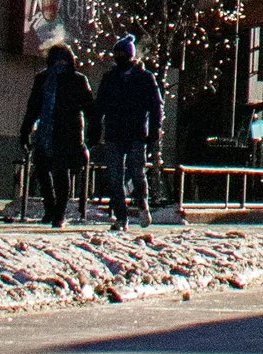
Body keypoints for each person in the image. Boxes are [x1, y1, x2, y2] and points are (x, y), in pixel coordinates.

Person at [93, 32, 164, 229]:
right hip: (114, 133)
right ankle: (121, 217)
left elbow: (155, 106)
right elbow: (100, 105)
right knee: (114, 177)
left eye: (121, 54)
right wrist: (96, 126)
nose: (118, 57)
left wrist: (155, 129)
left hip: (135, 134)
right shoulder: (110, 78)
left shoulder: (145, 78)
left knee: (137, 173)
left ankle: (142, 204)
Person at [23, 37, 93, 228]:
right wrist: (26, 130)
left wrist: (92, 133)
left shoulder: (77, 80)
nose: (59, 64)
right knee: (42, 170)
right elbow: (33, 107)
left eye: (63, 60)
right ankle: (50, 208)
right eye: (56, 60)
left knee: (61, 173)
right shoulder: (43, 79)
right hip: (46, 133)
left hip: (67, 133)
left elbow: (88, 108)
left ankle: (58, 213)